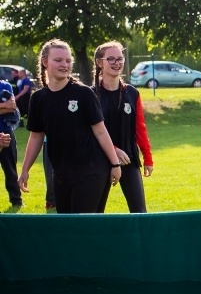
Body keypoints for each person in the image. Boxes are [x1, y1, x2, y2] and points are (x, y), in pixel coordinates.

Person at [18, 39, 122, 213]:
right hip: (61, 174)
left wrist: (115, 164)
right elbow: (36, 136)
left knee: (82, 226)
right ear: (45, 62)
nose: (64, 65)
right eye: (58, 60)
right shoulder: (38, 99)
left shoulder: (83, 93)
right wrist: (25, 169)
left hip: (91, 170)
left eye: (68, 61)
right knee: (66, 225)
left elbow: (101, 131)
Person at [92, 41, 154, 213]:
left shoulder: (132, 93)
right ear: (99, 63)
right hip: (99, 161)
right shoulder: (90, 95)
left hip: (128, 160)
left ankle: (141, 241)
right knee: (95, 214)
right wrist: (113, 150)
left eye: (119, 59)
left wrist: (147, 158)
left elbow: (140, 128)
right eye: (110, 59)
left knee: (140, 213)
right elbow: (89, 132)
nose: (116, 63)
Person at [0, 79, 23, 207]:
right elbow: (7, 106)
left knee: (10, 168)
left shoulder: (4, 85)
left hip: (6, 132)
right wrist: (4, 106)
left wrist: (7, 106)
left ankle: (16, 200)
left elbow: (12, 106)